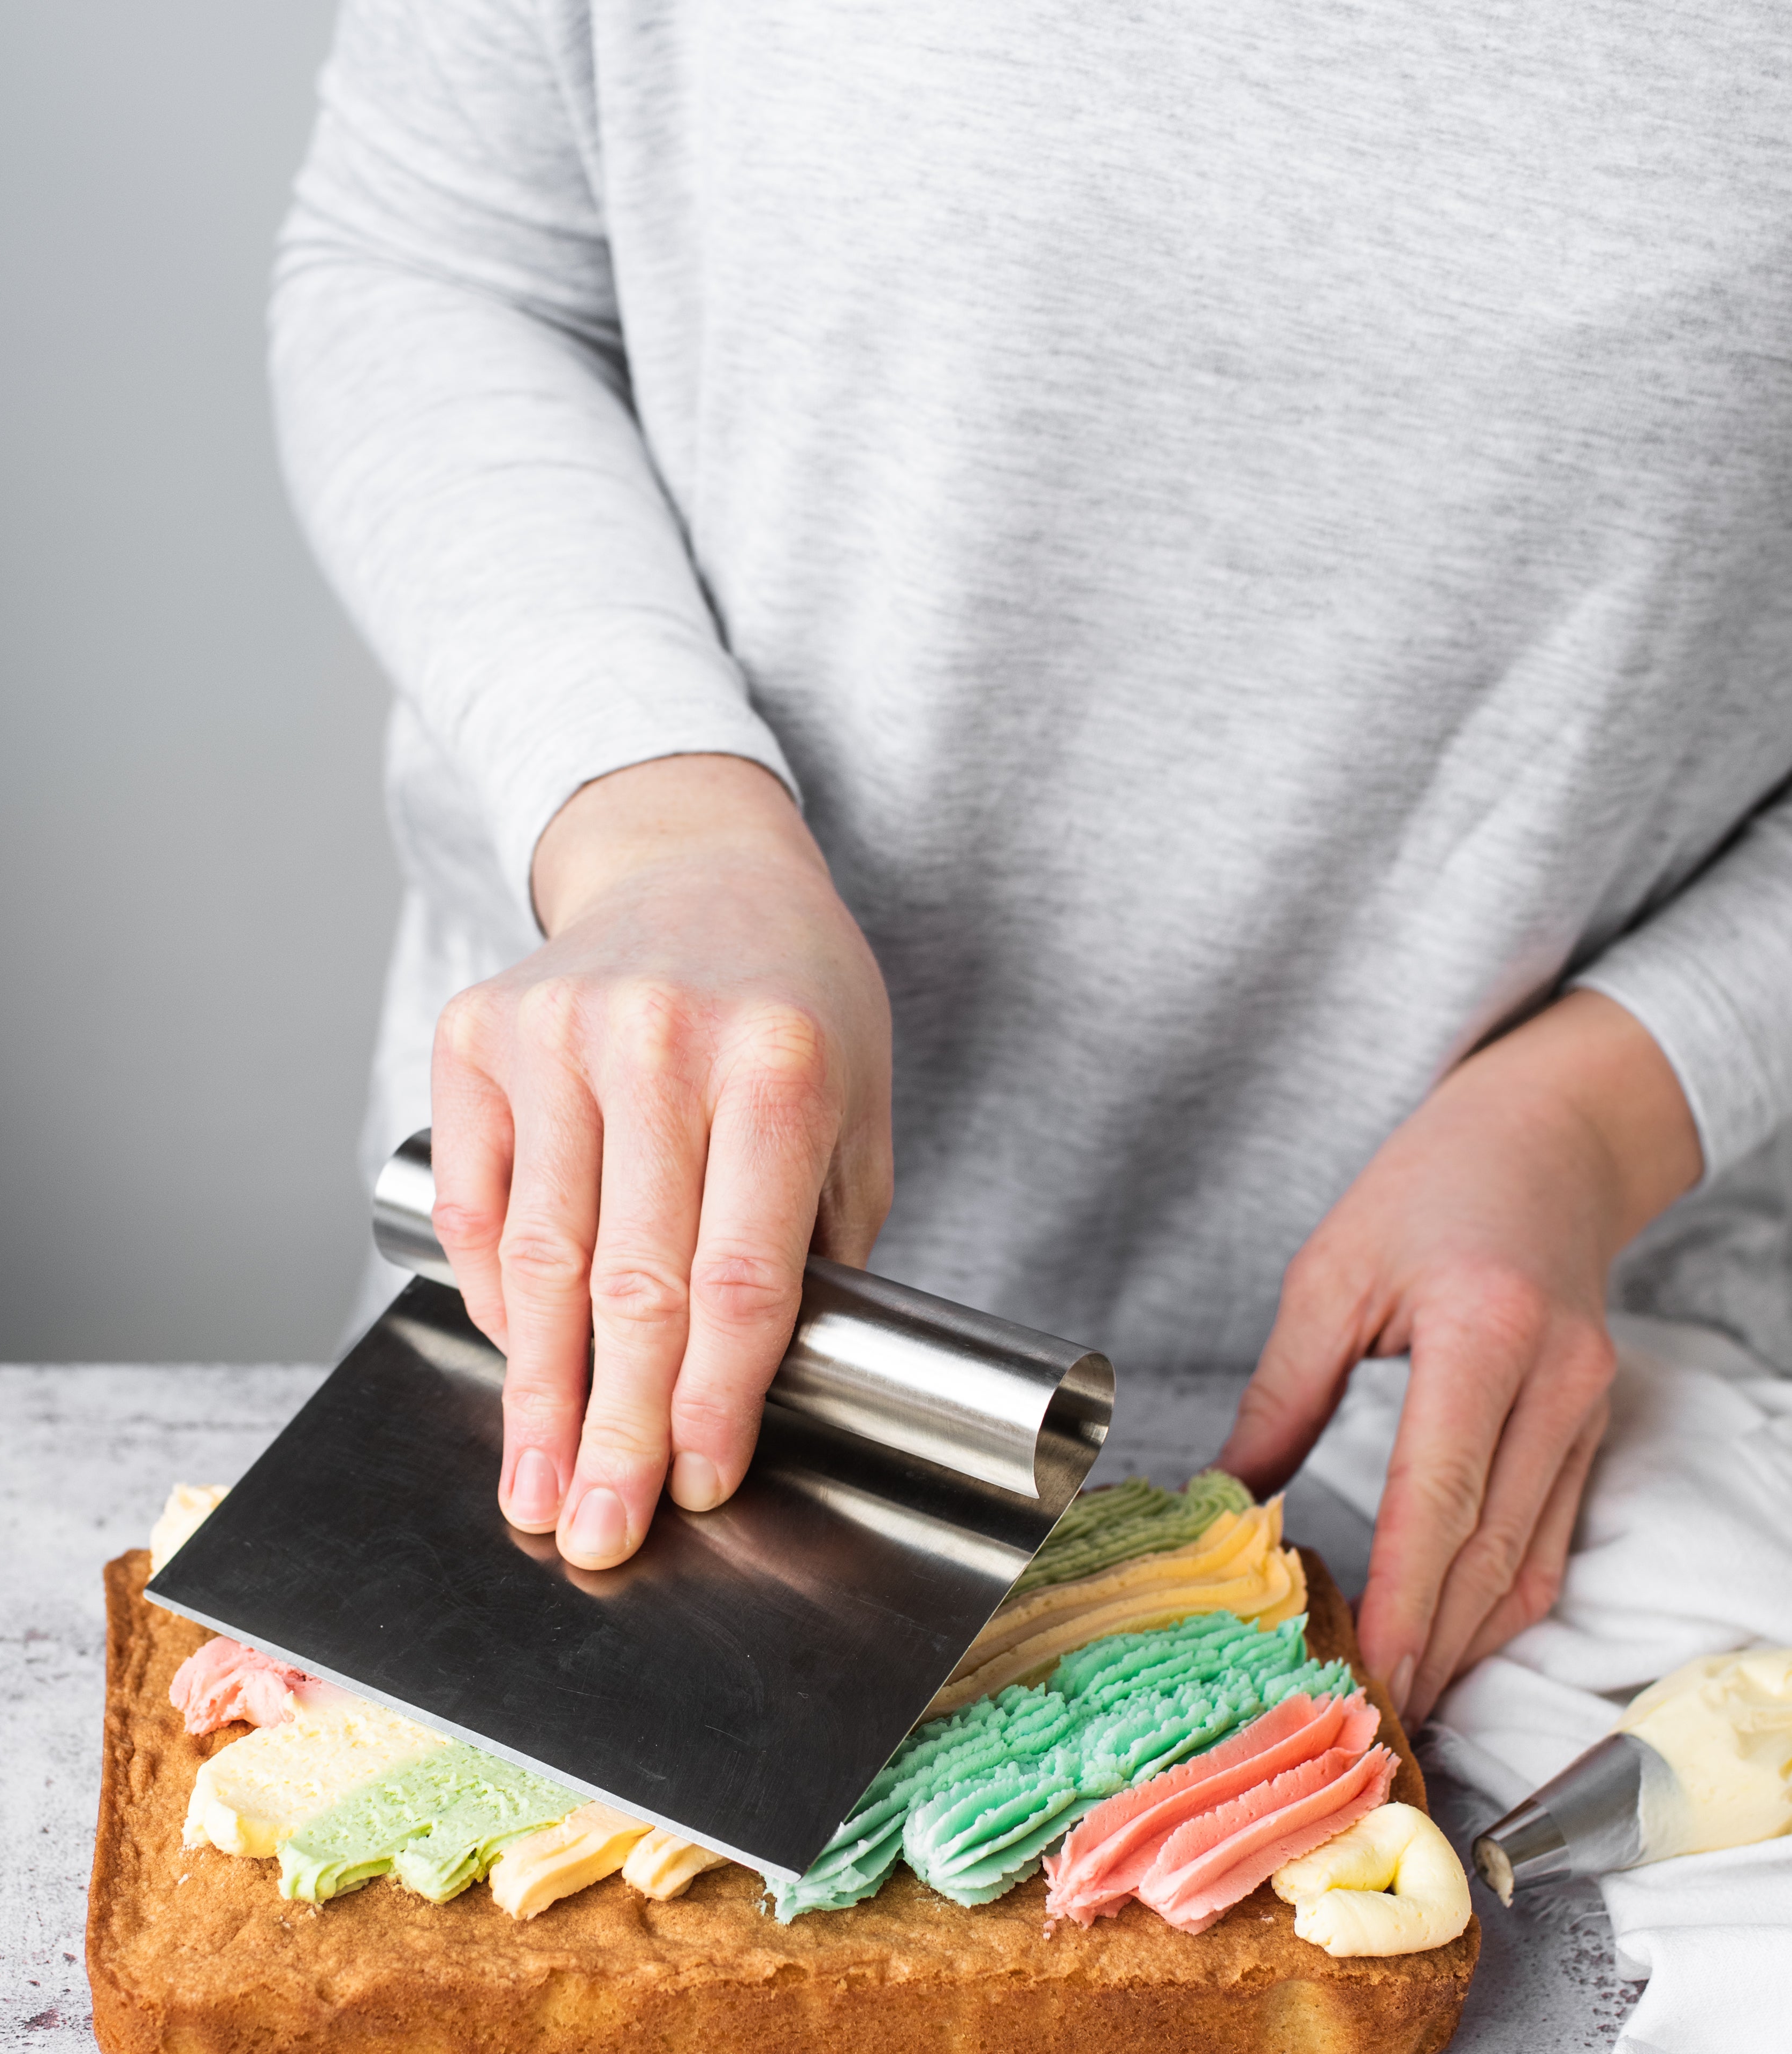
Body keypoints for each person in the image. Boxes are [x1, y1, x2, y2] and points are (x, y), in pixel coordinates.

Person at [270, 2, 1792, 1725]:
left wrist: (1607, 1107)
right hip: (613, 1306)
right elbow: (436, 261)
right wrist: (663, 827)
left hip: (1544, 1443)